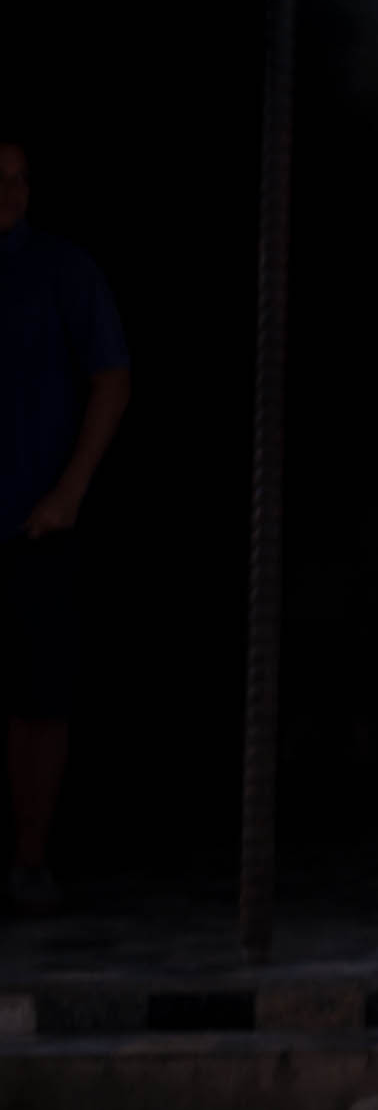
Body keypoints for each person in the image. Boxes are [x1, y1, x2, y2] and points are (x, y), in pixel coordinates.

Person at [0, 138, 129, 913]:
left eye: (17, 178)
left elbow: (112, 378)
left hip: (35, 522)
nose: (9, 191)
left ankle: (30, 858)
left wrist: (71, 489)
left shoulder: (61, 270)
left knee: (38, 699)